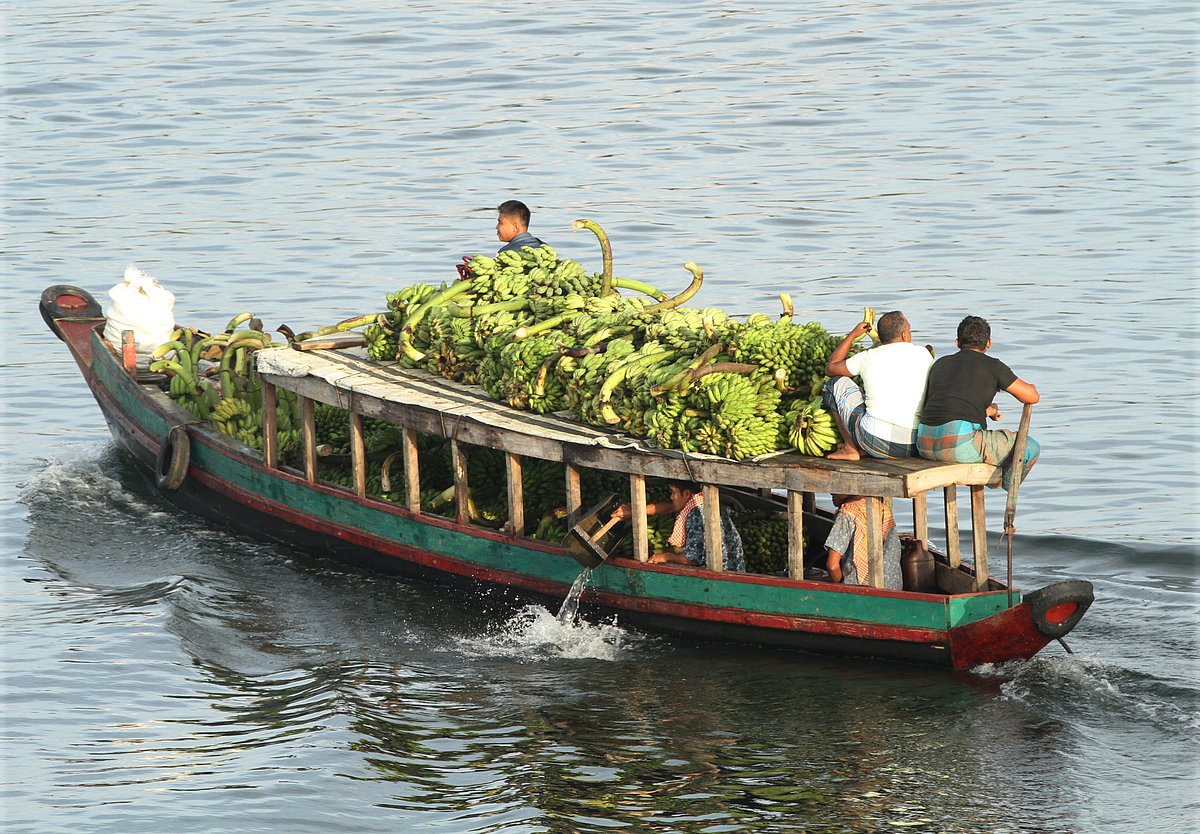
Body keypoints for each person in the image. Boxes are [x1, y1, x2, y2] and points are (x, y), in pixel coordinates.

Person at [916, 315, 1040, 490]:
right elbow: (1031, 396)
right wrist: (1032, 387)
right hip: (959, 445)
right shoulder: (993, 366)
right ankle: (1003, 482)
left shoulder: (940, 364)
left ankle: (997, 477)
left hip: (924, 444)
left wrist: (989, 411)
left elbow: (951, 407)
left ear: (958, 342)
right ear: (988, 343)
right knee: (1030, 447)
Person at [822, 311, 935, 461]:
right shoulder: (923, 354)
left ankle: (850, 448)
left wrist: (853, 335)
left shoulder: (868, 356)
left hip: (874, 442)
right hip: (915, 444)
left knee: (833, 383)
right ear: (904, 335)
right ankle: (862, 448)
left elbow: (831, 369)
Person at [611, 480, 745, 572]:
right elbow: (668, 508)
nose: (671, 497)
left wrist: (665, 556)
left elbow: (691, 559)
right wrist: (634, 511)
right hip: (737, 569)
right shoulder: (705, 503)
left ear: (686, 494)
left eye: (674, 492)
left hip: (722, 574)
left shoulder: (697, 515)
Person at [824, 494, 904, 590]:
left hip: (859, 590)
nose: (831, 493)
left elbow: (832, 566)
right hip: (893, 588)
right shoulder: (884, 510)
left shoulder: (847, 513)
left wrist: (840, 585)